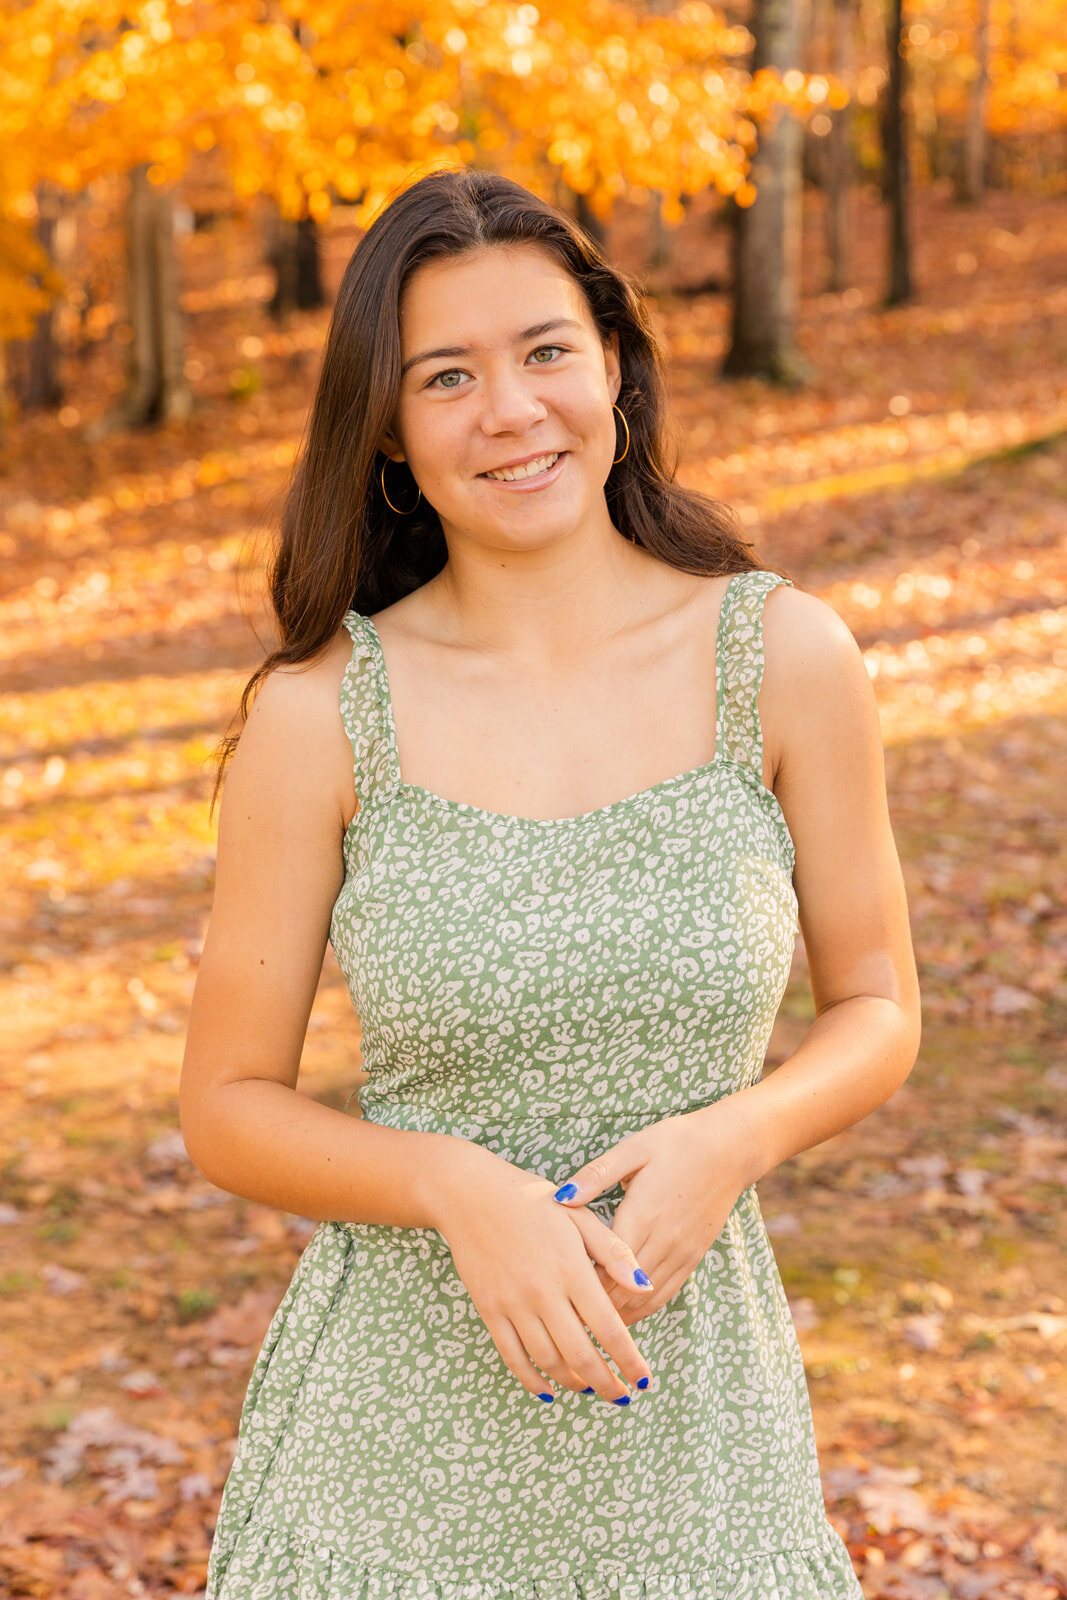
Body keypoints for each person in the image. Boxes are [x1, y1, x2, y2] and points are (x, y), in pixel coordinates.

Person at [181, 164, 921, 1600]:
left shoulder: (787, 658)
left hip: (697, 1444)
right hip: (388, 1471)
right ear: (390, 437)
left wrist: (736, 1136)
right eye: (445, 376)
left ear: (618, 374)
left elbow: (881, 1002)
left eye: (545, 353)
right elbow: (226, 1108)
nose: (510, 411)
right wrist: (459, 1188)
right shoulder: (321, 712)